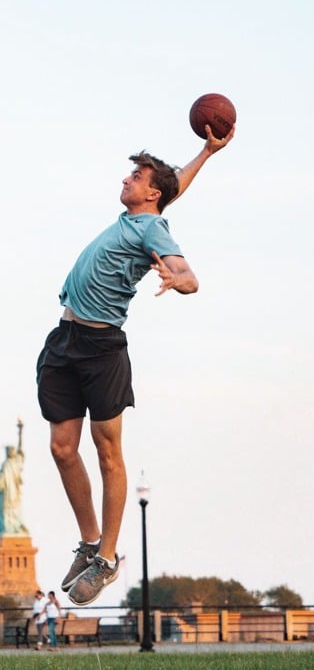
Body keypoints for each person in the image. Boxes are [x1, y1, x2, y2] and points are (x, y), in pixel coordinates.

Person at [36, 124, 234, 605]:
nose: (127, 180)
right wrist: (206, 152)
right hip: (64, 341)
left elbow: (188, 275)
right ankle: (88, 542)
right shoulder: (143, 215)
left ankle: (106, 557)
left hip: (102, 351)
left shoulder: (151, 227)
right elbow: (174, 187)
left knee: (107, 453)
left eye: (137, 176)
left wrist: (180, 280)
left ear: (150, 193)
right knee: (63, 448)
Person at [0, 418, 28, 536]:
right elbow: (0, 483)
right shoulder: (8, 464)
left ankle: (15, 529)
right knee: (7, 513)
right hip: (9, 496)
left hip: (11, 495)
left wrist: (20, 432)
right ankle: (9, 530)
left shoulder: (14, 462)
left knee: (12, 513)